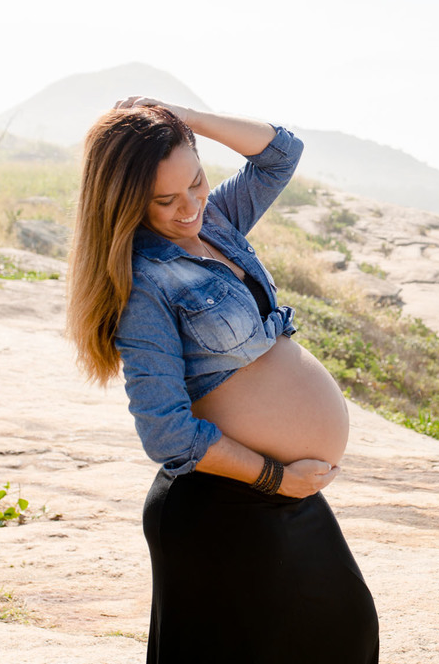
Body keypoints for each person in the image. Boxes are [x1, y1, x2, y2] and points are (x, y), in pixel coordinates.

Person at [65, 96, 379, 663]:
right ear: (126, 201)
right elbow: (165, 432)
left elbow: (282, 154)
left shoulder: (218, 222)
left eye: (197, 182)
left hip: (276, 495)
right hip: (222, 504)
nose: (188, 207)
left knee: (345, 632)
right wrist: (273, 477)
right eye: (165, 199)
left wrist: (183, 119)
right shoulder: (145, 284)